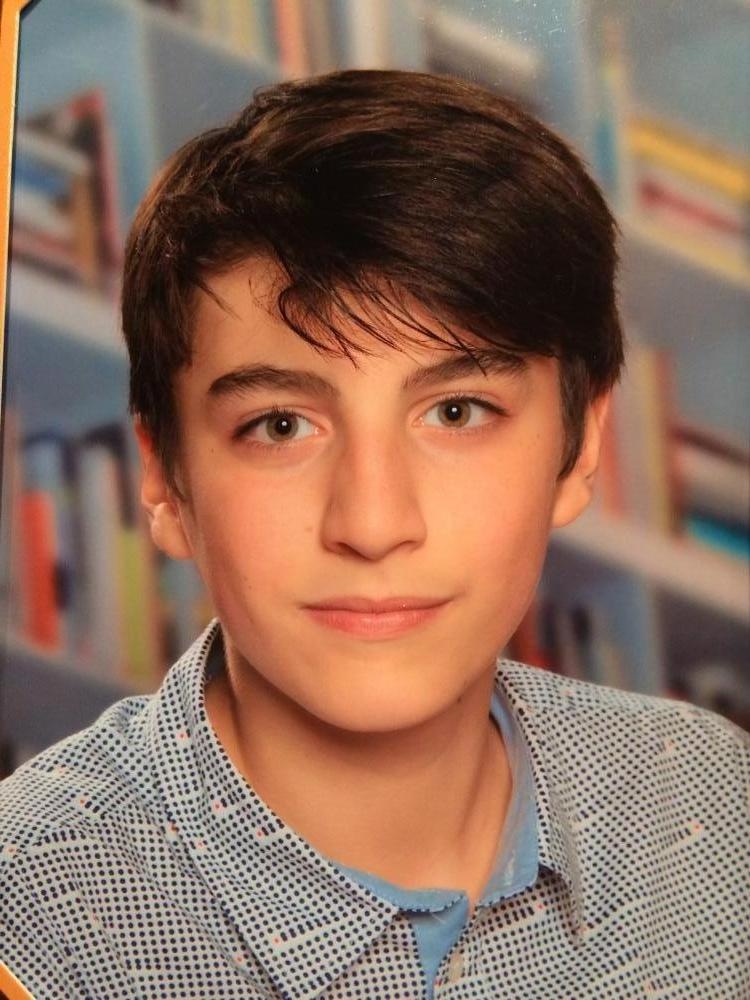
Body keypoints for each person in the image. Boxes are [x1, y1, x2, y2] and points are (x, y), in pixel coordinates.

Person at [1, 69, 747, 1000]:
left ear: (580, 445)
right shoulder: (26, 915)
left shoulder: (712, 804)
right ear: (164, 478)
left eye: (458, 411)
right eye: (280, 426)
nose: (374, 524)